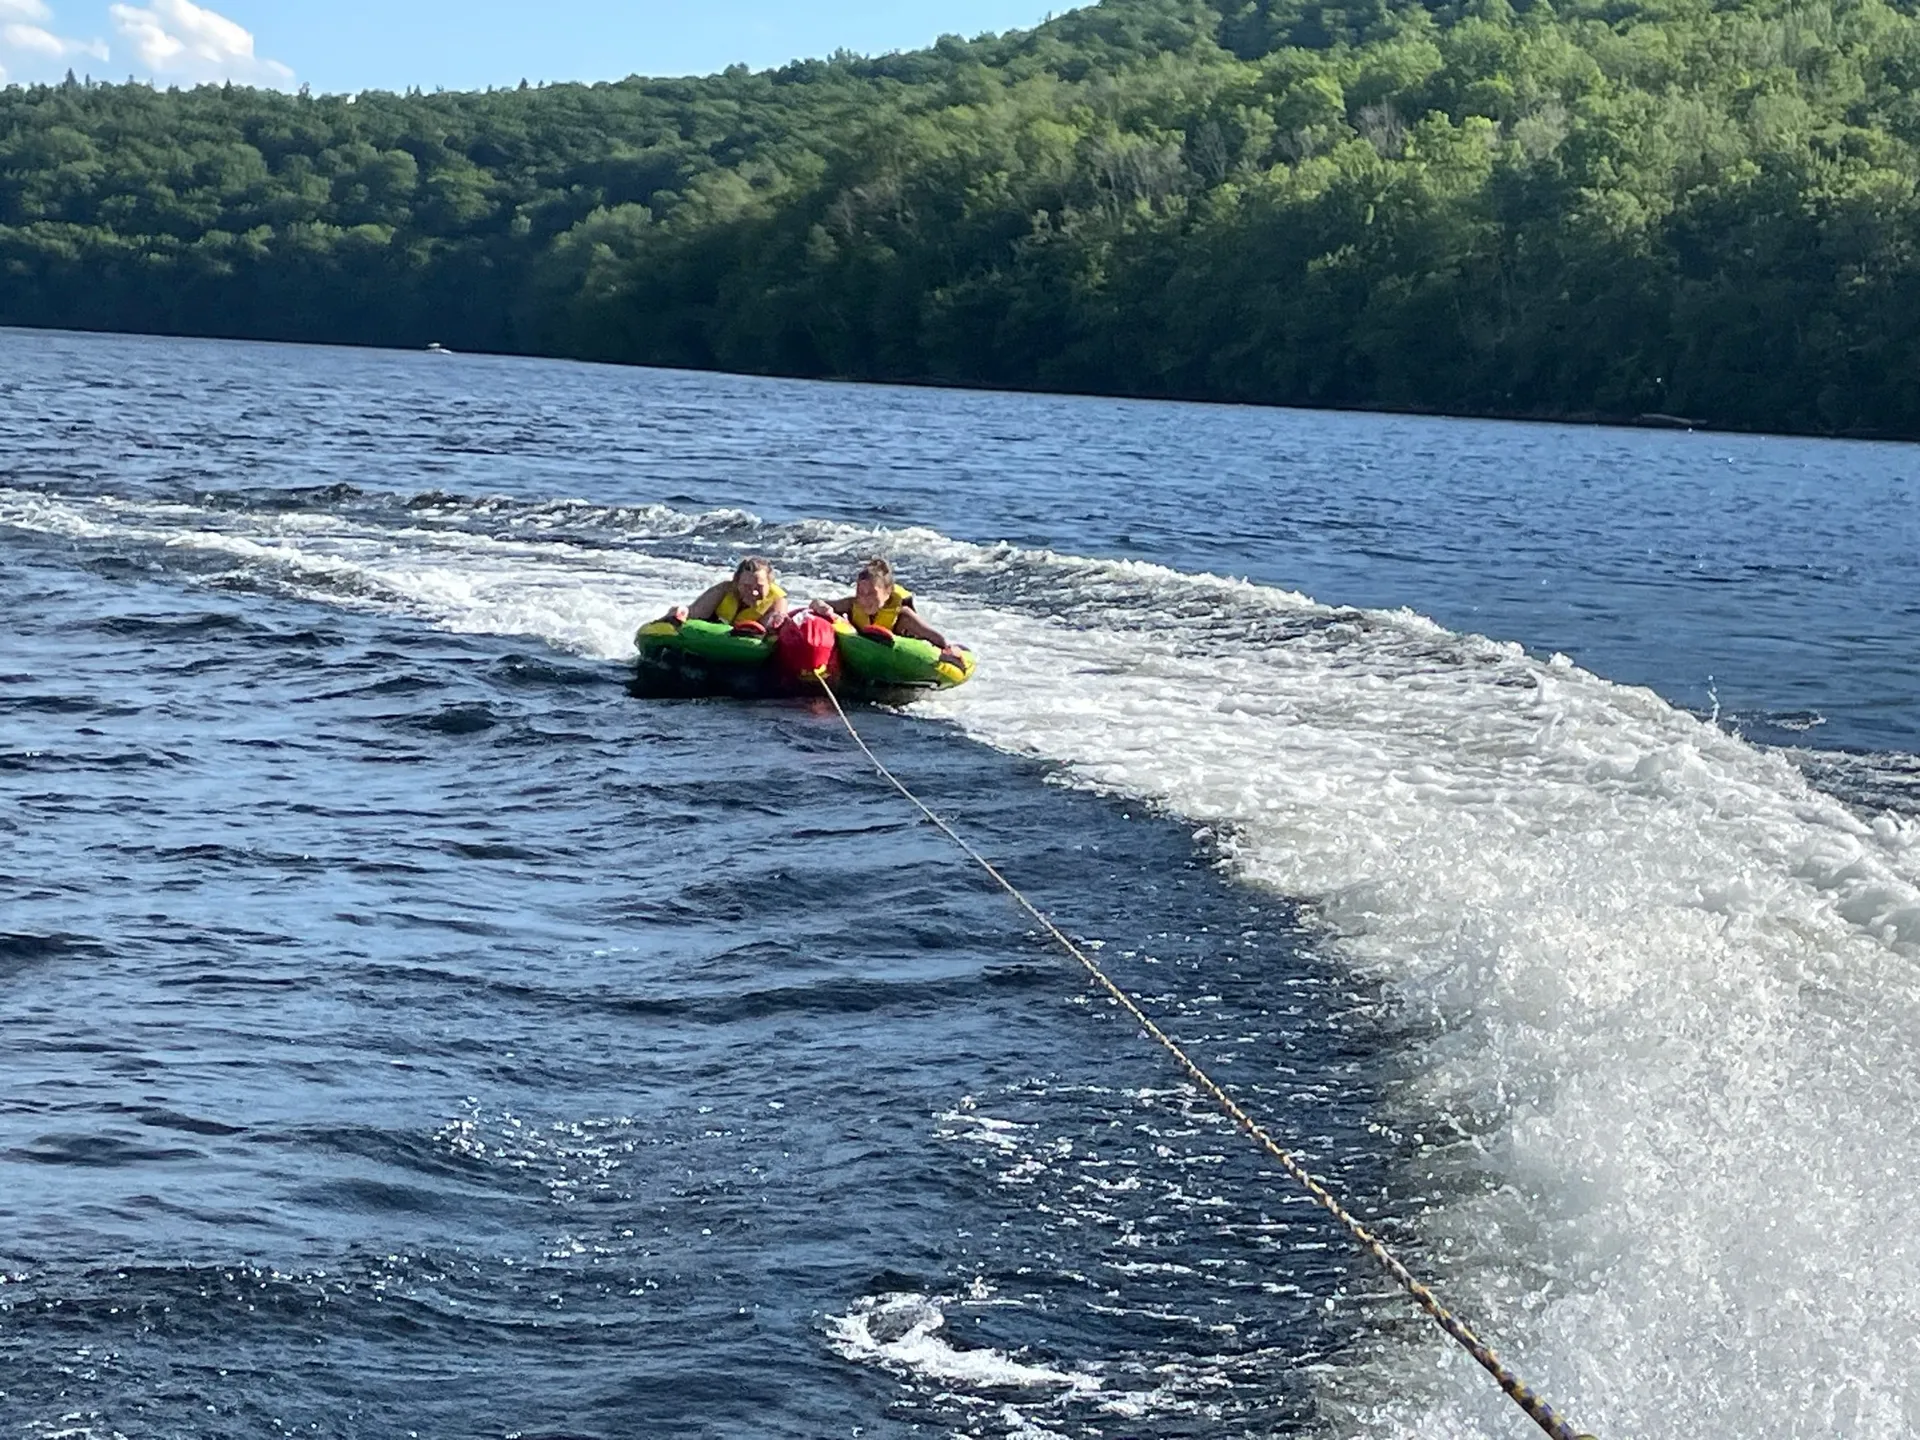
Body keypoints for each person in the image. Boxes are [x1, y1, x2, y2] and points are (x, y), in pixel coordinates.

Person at [809, 557, 956, 653]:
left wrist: (948, 652)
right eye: (860, 592)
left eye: (872, 593)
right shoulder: (851, 604)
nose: (865, 599)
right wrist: (822, 607)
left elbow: (935, 637)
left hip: (895, 655)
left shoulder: (903, 616)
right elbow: (815, 602)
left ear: (888, 591)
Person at [668, 555, 790, 631]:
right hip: (714, 630)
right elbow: (694, 613)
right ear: (736, 582)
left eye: (759, 587)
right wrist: (682, 612)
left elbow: (774, 628)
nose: (753, 592)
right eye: (746, 586)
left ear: (770, 584)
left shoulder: (777, 600)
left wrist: (775, 623)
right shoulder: (725, 589)